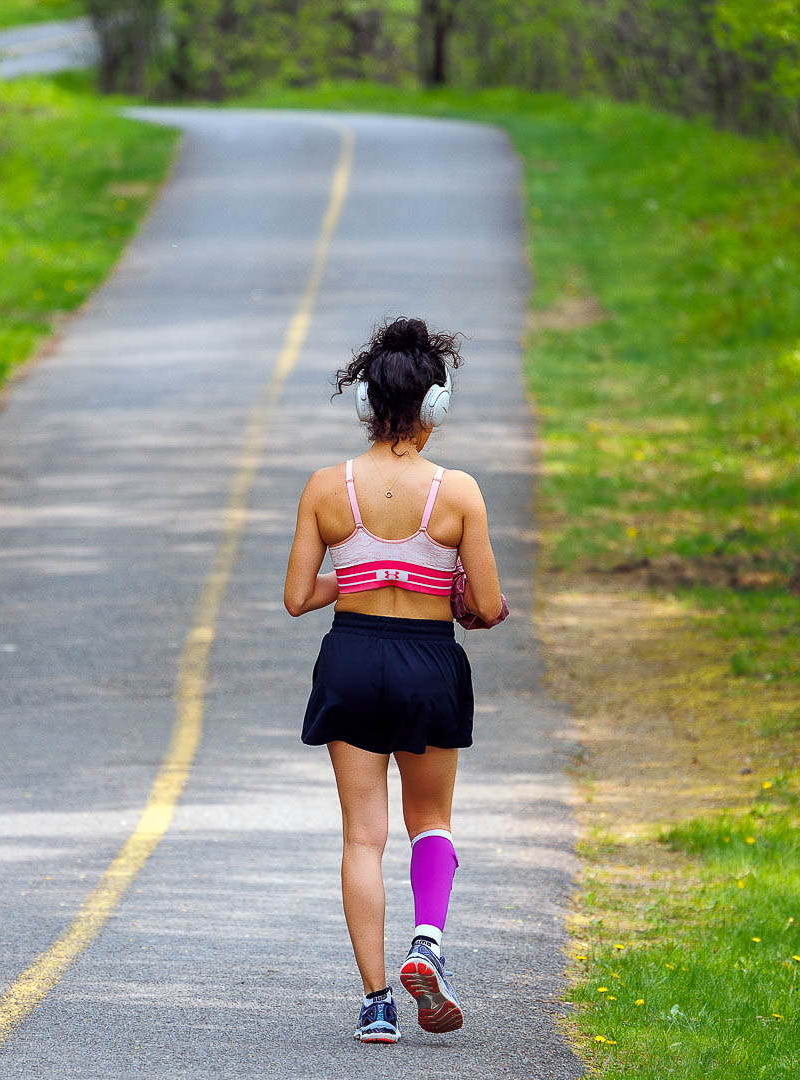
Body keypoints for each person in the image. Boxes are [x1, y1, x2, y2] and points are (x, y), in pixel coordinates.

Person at [282, 316, 506, 1044]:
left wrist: (363, 574)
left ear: (365, 403)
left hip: (351, 659)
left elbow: (297, 597)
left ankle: (376, 1004)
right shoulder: (458, 492)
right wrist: (440, 585)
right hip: (427, 662)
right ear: (436, 403)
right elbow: (487, 606)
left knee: (362, 837)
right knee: (430, 819)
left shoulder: (326, 487)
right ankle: (427, 945)